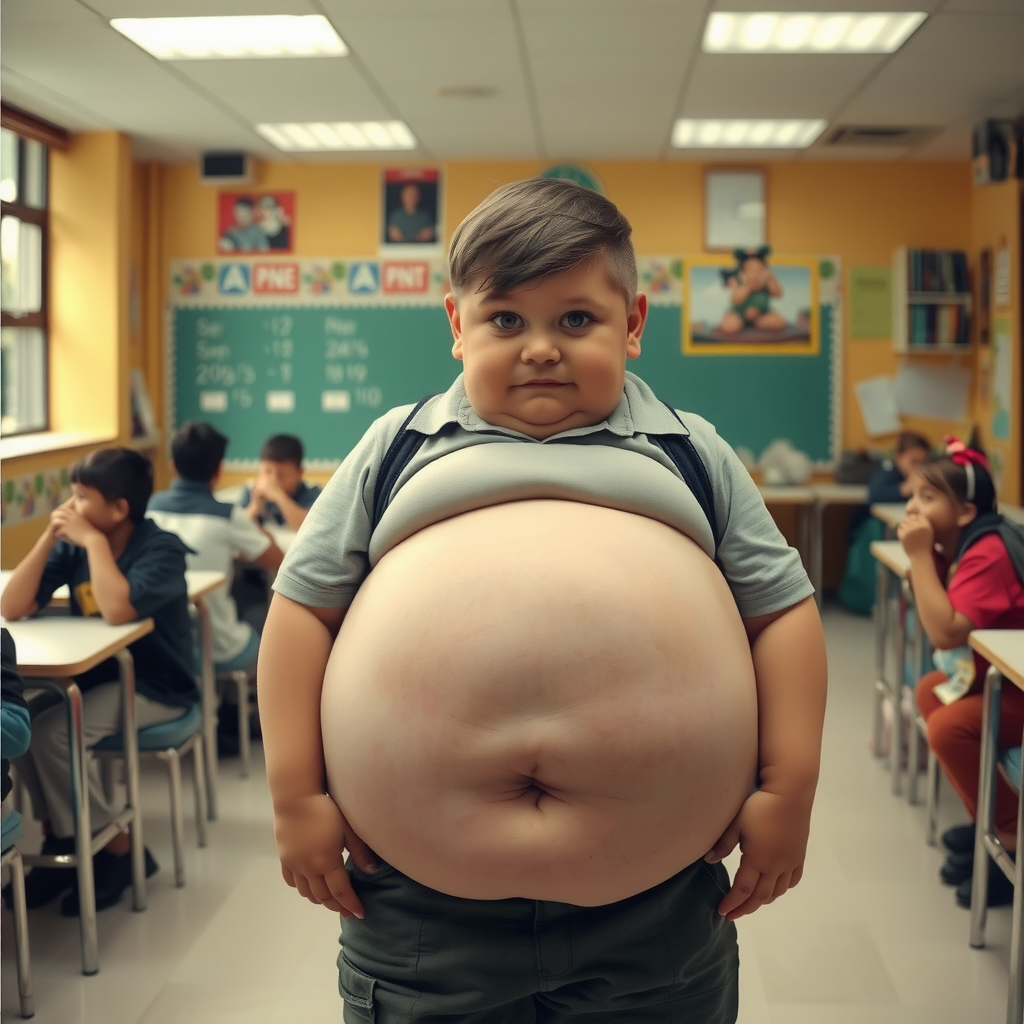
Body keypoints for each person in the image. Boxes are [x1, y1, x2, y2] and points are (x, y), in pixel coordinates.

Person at [259, 178, 828, 1023]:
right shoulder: (397, 446)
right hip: (422, 919)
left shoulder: (688, 449)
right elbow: (301, 614)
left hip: (657, 912)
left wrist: (788, 792)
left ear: (632, 324)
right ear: (457, 325)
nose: (540, 349)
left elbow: (782, 615)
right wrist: (296, 797)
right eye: (505, 320)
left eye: (575, 320)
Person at [0, 448, 198, 915]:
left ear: (119, 508)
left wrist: (92, 544)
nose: (70, 505)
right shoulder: (71, 544)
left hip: (156, 686)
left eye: (81, 496)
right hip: (99, 682)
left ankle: (117, 849)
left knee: (52, 734)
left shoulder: (161, 549)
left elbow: (117, 610)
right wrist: (49, 539)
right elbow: (11, 606)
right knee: (30, 730)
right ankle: (62, 846)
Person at [906, 437, 1024, 908]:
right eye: (913, 494)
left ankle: (1008, 833)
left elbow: (945, 633)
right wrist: (928, 554)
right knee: (932, 693)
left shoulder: (988, 552)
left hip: (1015, 682)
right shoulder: (961, 543)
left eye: (927, 498)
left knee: (951, 726)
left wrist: (918, 557)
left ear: (965, 512)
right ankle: (991, 815)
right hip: (997, 677)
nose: (912, 507)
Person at [148, 423, 283, 749]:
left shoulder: (148, 508)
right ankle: (232, 716)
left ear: (172, 466)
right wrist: (249, 521)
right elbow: (278, 559)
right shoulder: (227, 516)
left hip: (158, 642)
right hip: (215, 644)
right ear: (219, 470)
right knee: (256, 619)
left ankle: (215, 712)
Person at [239, 434, 321, 531]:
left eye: (281, 475)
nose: (273, 480)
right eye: (267, 471)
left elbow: (309, 528)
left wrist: (279, 496)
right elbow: (237, 527)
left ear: (299, 473)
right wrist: (255, 507)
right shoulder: (251, 489)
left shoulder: (312, 492)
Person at [868, 430, 931, 504]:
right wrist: (905, 489)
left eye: (923, 463)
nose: (918, 467)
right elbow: (874, 494)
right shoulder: (888, 468)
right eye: (913, 462)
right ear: (899, 457)